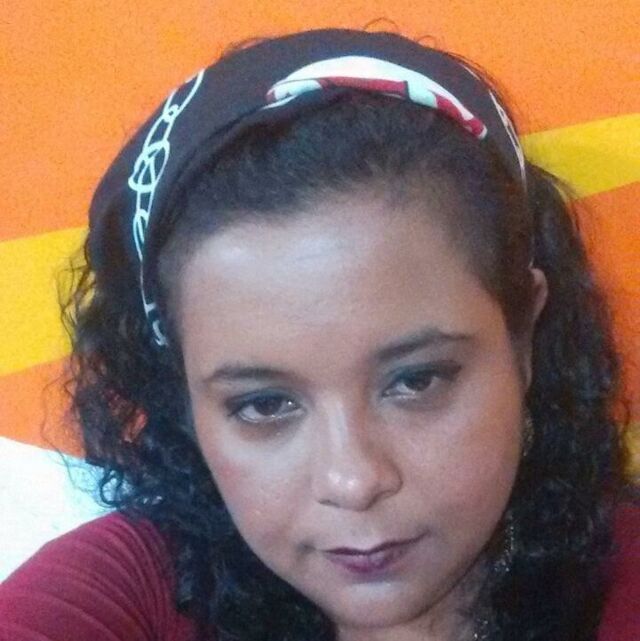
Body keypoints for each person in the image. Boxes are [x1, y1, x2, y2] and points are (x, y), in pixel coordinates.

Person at [0, 27, 638, 641]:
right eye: (264, 405)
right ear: (185, 399)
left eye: (416, 380)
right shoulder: (132, 590)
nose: (353, 481)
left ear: (522, 337)